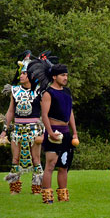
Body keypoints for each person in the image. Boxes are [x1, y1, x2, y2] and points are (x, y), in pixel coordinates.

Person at [0, 52, 45, 194]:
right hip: (17, 129)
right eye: (21, 73)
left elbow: (45, 112)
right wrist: (4, 130)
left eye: (24, 73)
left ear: (31, 75)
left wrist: (44, 130)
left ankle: (37, 187)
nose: (21, 76)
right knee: (15, 158)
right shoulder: (15, 91)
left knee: (36, 159)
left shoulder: (39, 91)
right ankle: (15, 188)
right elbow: (10, 111)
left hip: (34, 129)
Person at [39, 63, 78, 204]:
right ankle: (47, 196)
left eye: (66, 75)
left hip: (66, 133)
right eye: (62, 75)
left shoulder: (67, 92)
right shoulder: (48, 93)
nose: (65, 78)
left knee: (64, 165)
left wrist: (75, 133)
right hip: (54, 131)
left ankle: (63, 195)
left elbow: (70, 113)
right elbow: (44, 115)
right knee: (50, 164)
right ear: (54, 76)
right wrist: (50, 133)